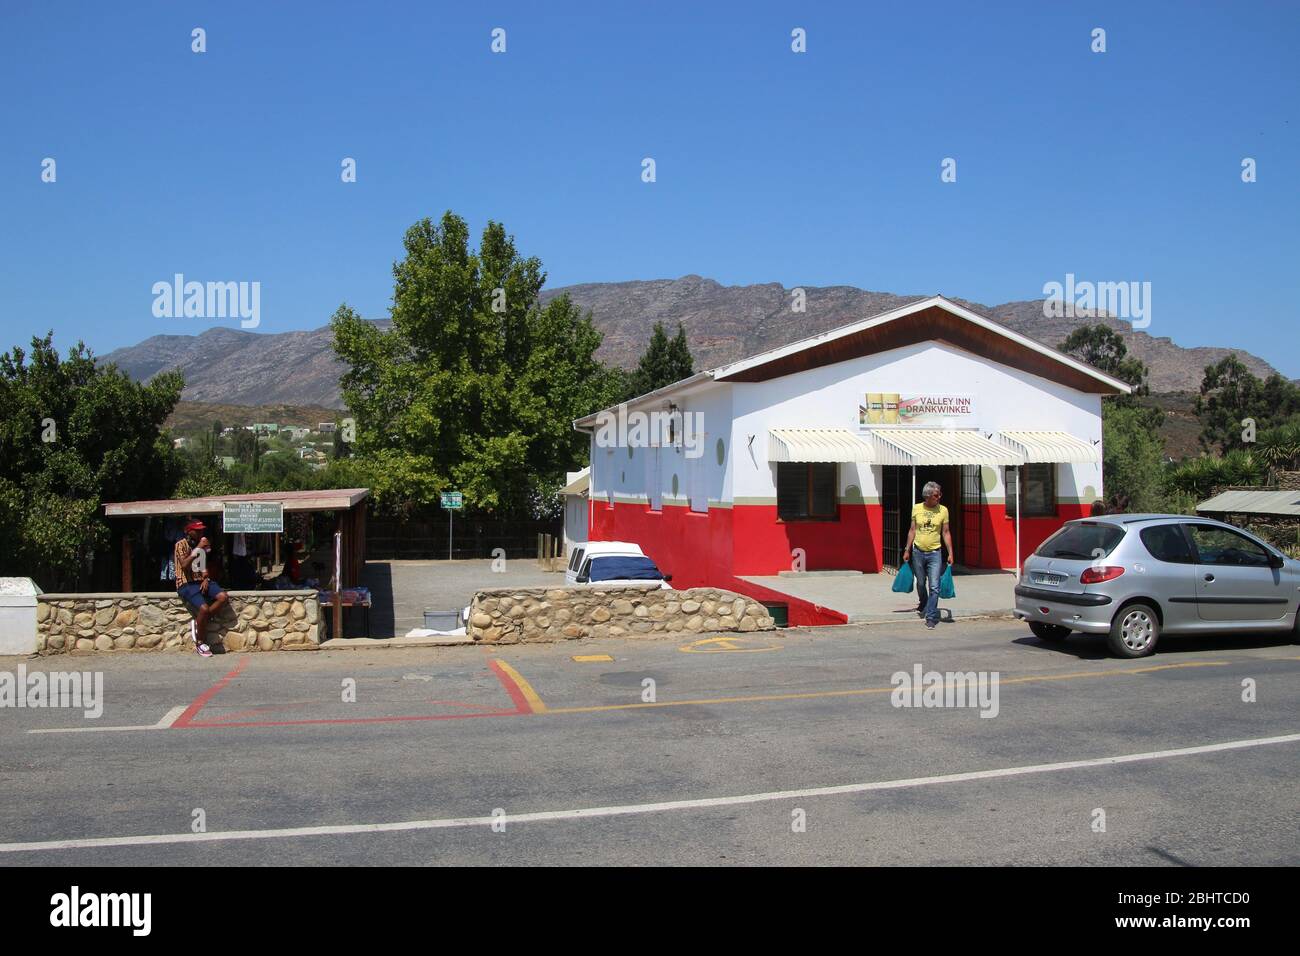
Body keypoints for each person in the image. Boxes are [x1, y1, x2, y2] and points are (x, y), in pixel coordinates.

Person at [902, 481, 954, 630]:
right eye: (936, 495)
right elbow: (912, 530)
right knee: (920, 582)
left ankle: (931, 616)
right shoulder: (917, 508)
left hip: (935, 553)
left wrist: (950, 552)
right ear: (928, 496)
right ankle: (923, 602)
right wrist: (907, 549)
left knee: (934, 586)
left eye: (939, 494)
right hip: (918, 551)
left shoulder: (943, 510)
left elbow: (946, 532)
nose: (939, 497)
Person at [175, 519, 229, 657]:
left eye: (202, 530)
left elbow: (203, 566)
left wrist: (205, 578)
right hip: (186, 583)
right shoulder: (180, 545)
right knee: (203, 608)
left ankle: (201, 621)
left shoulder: (202, 547)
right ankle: (200, 642)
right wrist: (198, 547)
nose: (201, 532)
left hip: (200, 581)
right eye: (197, 530)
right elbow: (185, 565)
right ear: (189, 531)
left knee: (223, 597)